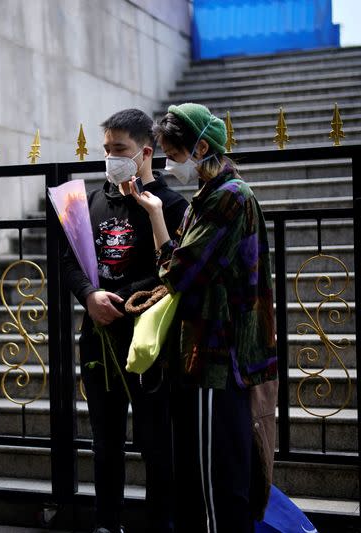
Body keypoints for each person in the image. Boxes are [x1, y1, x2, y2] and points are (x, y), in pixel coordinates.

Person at [129, 102, 278, 533]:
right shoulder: (211, 196)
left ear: (202, 148)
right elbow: (179, 263)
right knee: (201, 479)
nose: (172, 166)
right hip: (204, 356)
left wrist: (161, 236)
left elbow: (179, 270)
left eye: (175, 156)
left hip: (216, 357)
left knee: (217, 485)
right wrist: (159, 216)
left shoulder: (227, 198)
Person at [61, 108, 188, 533]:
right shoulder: (92, 202)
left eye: (120, 150)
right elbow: (71, 261)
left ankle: (160, 524)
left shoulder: (170, 205)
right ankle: (107, 523)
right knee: (105, 441)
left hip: (149, 343)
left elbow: (174, 271)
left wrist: (133, 299)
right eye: (106, 149)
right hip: (98, 336)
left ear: (144, 153)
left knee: (157, 442)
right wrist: (89, 294)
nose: (110, 157)